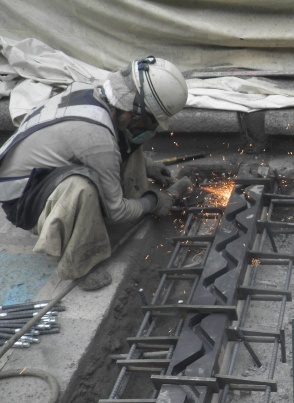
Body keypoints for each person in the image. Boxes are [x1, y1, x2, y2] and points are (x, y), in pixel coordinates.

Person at [0, 56, 193, 290]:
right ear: (134, 112)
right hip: (23, 202)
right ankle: (80, 263)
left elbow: (117, 142)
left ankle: (123, 200)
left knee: (126, 139)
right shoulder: (97, 139)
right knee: (82, 187)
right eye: (150, 123)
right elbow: (116, 212)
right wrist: (152, 201)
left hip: (37, 175)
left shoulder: (94, 94)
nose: (151, 130)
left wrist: (148, 166)